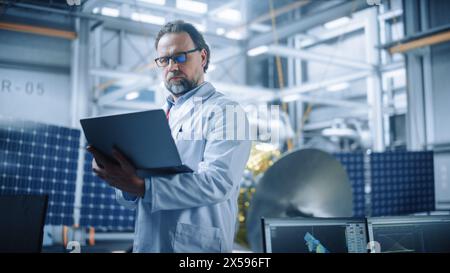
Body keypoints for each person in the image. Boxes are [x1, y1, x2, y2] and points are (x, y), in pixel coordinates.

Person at [87, 20, 252, 253]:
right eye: (164, 60)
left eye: (180, 57)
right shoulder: (158, 117)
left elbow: (218, 182)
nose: (172, 66)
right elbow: (136, 193)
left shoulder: (228, 112)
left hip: (197, 248)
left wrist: (145, 187)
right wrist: (120, 177)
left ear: (203, 58)